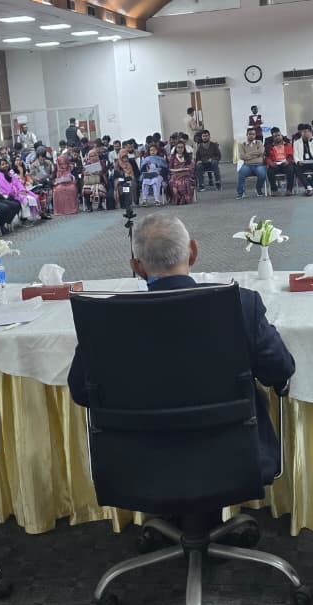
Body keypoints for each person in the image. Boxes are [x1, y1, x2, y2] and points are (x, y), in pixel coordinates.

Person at [67, 214, 295, 482]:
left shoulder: (103, 318)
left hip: (137, 464)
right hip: (234, 458)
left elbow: (81, 392)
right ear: (193, 251)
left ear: (137, 267)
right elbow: (280, 370)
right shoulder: (242, 306)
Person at [234, 127, 267, 198]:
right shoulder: (242, 144)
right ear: (247, 135)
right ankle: (240, 193)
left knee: (262, 174)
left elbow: (261, 152)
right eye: (250, 134)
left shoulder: (259, 142)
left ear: (255, 135)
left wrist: (248, 155)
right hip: (247, 165)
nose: (252, 136)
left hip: (259, 165)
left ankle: (258, 189)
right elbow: (242, 156)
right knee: (241, 174)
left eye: (253, 134)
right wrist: (256, 155)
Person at [293, 124, 313, 196]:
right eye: (303, 132)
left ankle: (309, 187)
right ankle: (309, 187)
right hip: (302, 162)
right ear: (301, 132)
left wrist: (311, 140)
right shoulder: (296, 142)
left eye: (307, 132)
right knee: (296, 169)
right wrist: (298, 162)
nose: (305, 133)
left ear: (310, 132)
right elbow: (295, 154)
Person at [266, 130, 296, 196]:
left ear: (282, 136)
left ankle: (289, 190)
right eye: (275, 136)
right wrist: (271, 163)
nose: (277, 137)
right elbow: (267, 157)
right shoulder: (269, 146)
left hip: (285, 163)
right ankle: (274, 190)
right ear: (273, 138)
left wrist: (287, 161)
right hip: (275, 164)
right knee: (270, 172)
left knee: (291, 170)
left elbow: (291, 156)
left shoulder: (288, 145)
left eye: (279, 135)